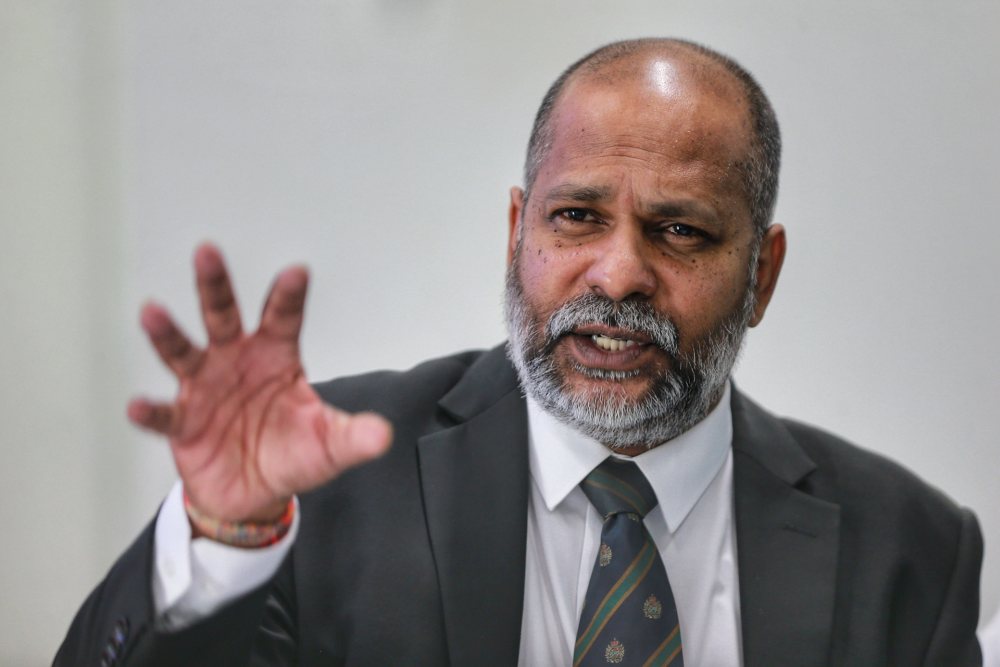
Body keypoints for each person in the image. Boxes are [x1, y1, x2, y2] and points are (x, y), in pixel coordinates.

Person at [56, 38, 983, 666]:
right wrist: (222, 538)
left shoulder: (910, 549)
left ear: (763, 275)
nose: (618, 274)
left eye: (682, 231)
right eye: (577, 217)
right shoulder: (320, 483)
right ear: (516, 231)